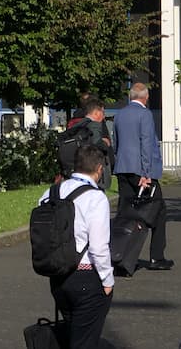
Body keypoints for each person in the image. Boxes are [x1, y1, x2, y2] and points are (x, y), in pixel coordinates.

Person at [39, 144, 114, 349]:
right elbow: (98, 247)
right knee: (84, 341)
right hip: (86, 278)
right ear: (99, 169)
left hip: (58, 276)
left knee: (74, 336)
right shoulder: (96, 198)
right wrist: (107, 280)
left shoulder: (51, 193)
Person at [112, 82, 173, 270]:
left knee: (124, 213)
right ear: (145, 98)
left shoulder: (119, 115)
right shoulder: (145, 114)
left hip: (123, 168)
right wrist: (146, 173)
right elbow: (146, 143)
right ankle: (156, 257)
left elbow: (117, 142)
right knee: (158, 211)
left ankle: (118, 254)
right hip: (141, 170)